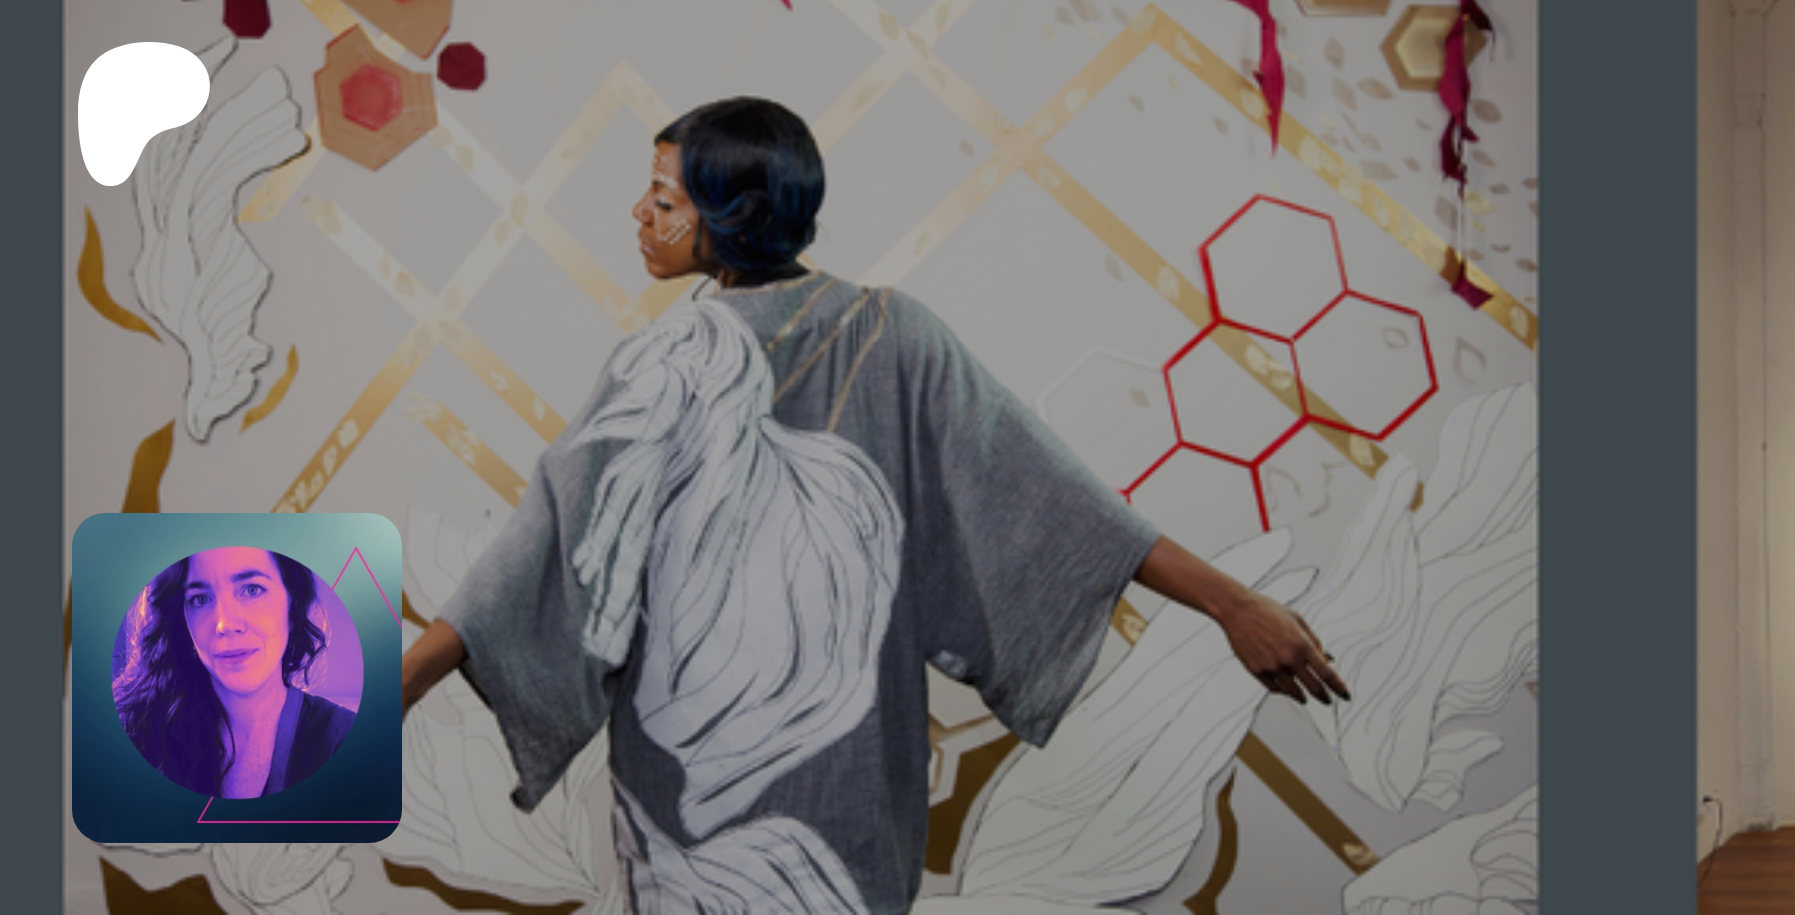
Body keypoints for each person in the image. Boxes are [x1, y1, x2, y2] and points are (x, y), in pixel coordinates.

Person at [400, 96, 1347, 913]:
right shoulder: (887, 332)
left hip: (728, 777)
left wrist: (398, 683)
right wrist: (1230, 602)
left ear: (733, 215)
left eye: (664, 198)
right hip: (806, 763)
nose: (638, 214)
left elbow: (545, 546)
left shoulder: (683, 363)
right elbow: (1057, 498)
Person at [113, 546, 356, 799]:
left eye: (252, 590)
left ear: (292, 605)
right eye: (200, 599)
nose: (225, 624)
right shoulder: (142, 734)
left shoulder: (342, 739)